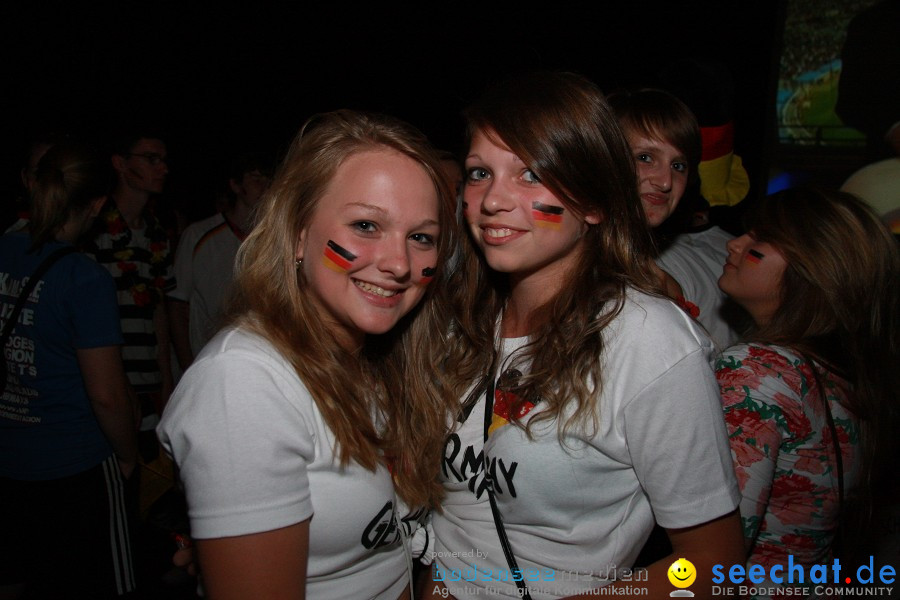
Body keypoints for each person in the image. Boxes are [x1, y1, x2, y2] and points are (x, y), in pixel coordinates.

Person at [429, 72, 743, 600]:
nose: (492, 200)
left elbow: (713, 565)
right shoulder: (462, 315)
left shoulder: (653, 341)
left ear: (595, 203)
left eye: (531, 174)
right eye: (480, 172)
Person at [157, 110, 458, 599]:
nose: (399, 263)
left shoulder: (381, 359)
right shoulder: (243, 383)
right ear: (298, 233)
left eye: (421, 237)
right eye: (365, 225)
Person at [715, 187, 900, 597]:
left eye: (759, 240)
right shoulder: (842, 375)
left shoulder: (759, 369)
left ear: (812, 266)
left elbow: (716, 550)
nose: (736, 243)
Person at [0, 142, 138, 598]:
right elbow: (108, 396)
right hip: (75, 462)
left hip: (12, 455)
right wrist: (127, 453)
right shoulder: (84, 278)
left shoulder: (2, 249)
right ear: (97, 204)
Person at [610, 88, 741, 348]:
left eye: (678, 166)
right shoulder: (560, 269)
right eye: (645, 158)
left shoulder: (659, 281)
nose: (666, 181)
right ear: (603, 158)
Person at [85, 130, 176, 460]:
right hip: (106, 382)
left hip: (149, 381)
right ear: (120, 164)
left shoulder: (156, 232)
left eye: (163, 160)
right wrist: (117, 383)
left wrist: (167, 382)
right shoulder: (93, 228)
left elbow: (159, 311)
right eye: (151, 159)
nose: (162, 168)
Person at [168, 153, 272, 367]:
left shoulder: (271, 240)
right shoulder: (198, 235)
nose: (265, 186)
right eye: (256, 178)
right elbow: (177, 306)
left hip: (255, 362)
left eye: (268, 179)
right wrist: (187, 365)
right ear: (235, 185)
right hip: (206, 360)